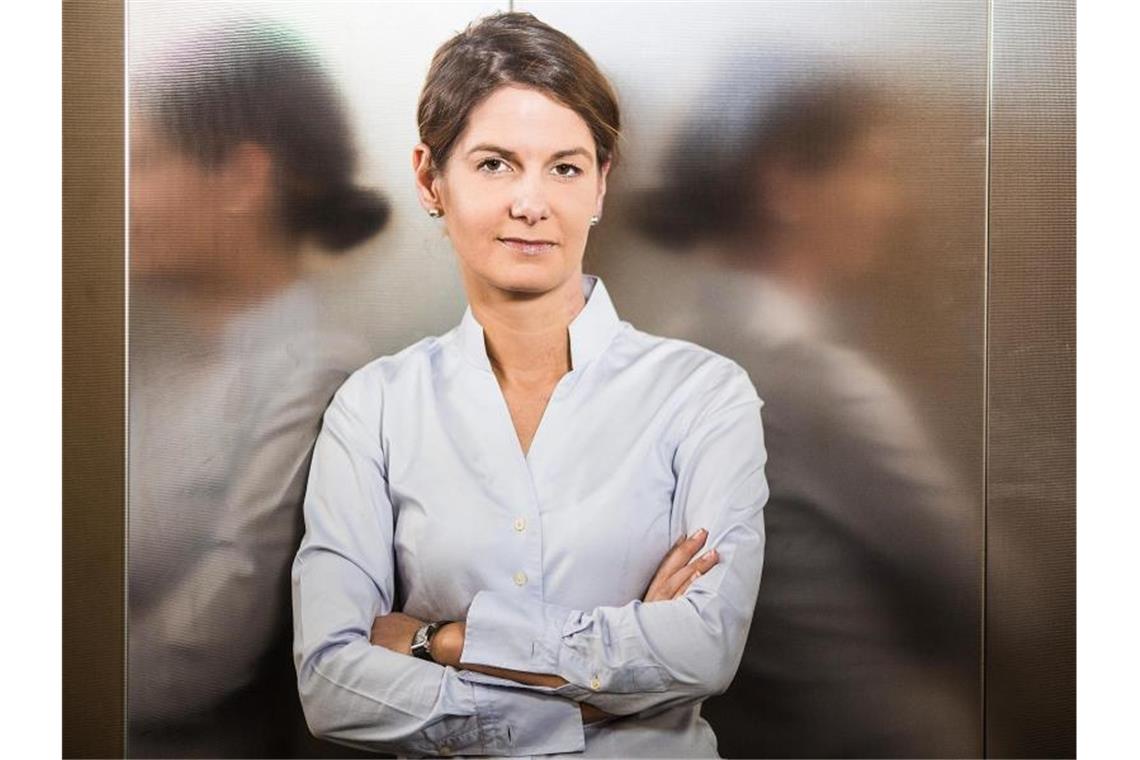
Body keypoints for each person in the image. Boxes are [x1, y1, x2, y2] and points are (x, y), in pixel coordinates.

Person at [291, 12, 769, 758]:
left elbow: (704, 647)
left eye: (566, 167)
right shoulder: (375, 407)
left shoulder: (702, 395)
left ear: (602, 185)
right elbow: (329, 683)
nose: (531, 203)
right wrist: (600, 688)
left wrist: (441, 640)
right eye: (494, 164)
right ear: (429, 178)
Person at [636, 60, 980, 757]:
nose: (892, 202)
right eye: (871, 168)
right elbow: (987, 597)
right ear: (787, 186)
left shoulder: (661, 355)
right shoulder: (816, 387)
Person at [127, 18, 388, 757]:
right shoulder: (153, 365)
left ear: (243, 177)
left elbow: (206, 649)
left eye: (143, 161)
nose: (120, 197)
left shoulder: (319, 376)